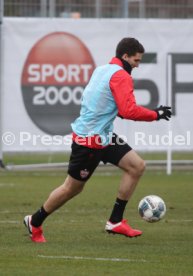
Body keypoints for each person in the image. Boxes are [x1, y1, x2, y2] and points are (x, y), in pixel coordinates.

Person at [24, 37, 171, 243]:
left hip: (104, 136)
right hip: (89, 141)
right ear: (125, 56)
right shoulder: (121, 76)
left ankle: (115, 221)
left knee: (136, 166)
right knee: (72, 188)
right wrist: (156, 114)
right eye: (136, 61)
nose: (137, 66)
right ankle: (35, 221)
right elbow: (128, 111)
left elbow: (102, 101)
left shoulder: (102, 70)